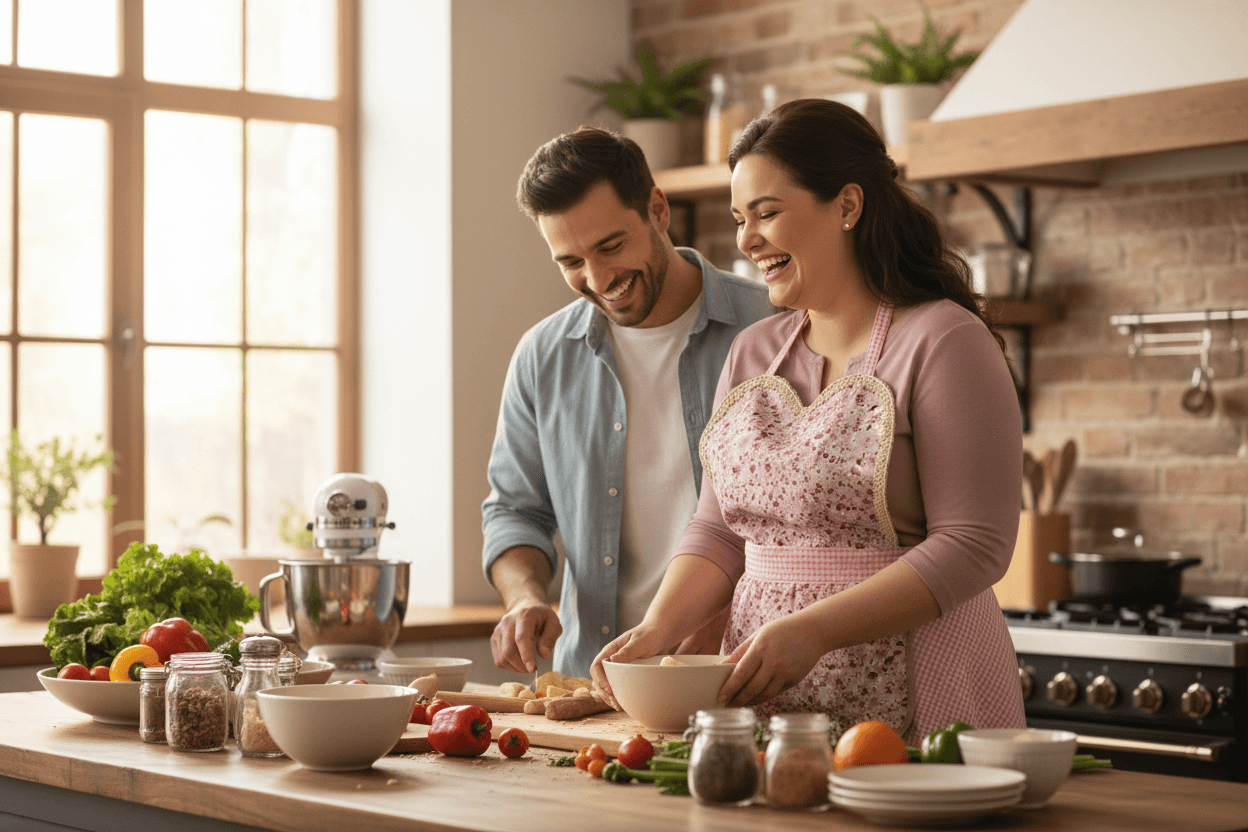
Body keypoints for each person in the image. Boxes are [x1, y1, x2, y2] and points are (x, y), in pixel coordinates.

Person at [591, 99, 1026, 744]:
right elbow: (719, 529)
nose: (745, 239)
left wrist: (812, 630)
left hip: (915, 692)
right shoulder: (754, 351)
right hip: (763, 700)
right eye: (740, 219)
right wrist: (659, 630)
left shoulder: (943, 339)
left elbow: (974, 545)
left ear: (847, 206)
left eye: (766, 213)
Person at [482, 126, 776, 680]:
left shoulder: (773, 327)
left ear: (657, 210)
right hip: (594, 686)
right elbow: (514, 510)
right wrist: (524, 598)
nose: (598, 279)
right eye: (570, 262)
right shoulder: (542, 357)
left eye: (610, 247)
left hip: (744, 673)